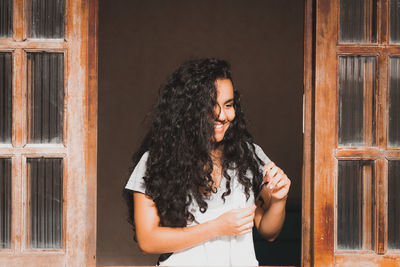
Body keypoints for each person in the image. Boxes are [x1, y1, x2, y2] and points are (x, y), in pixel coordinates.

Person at [124, 58, 291, 266]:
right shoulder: (156, 161)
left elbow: (268, 231)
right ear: (188, 110)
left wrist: (278, 200)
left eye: (228, 105)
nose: (222, 115)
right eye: (211, 106)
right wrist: (217, 227)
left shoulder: (247, 155)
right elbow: (148, 240)